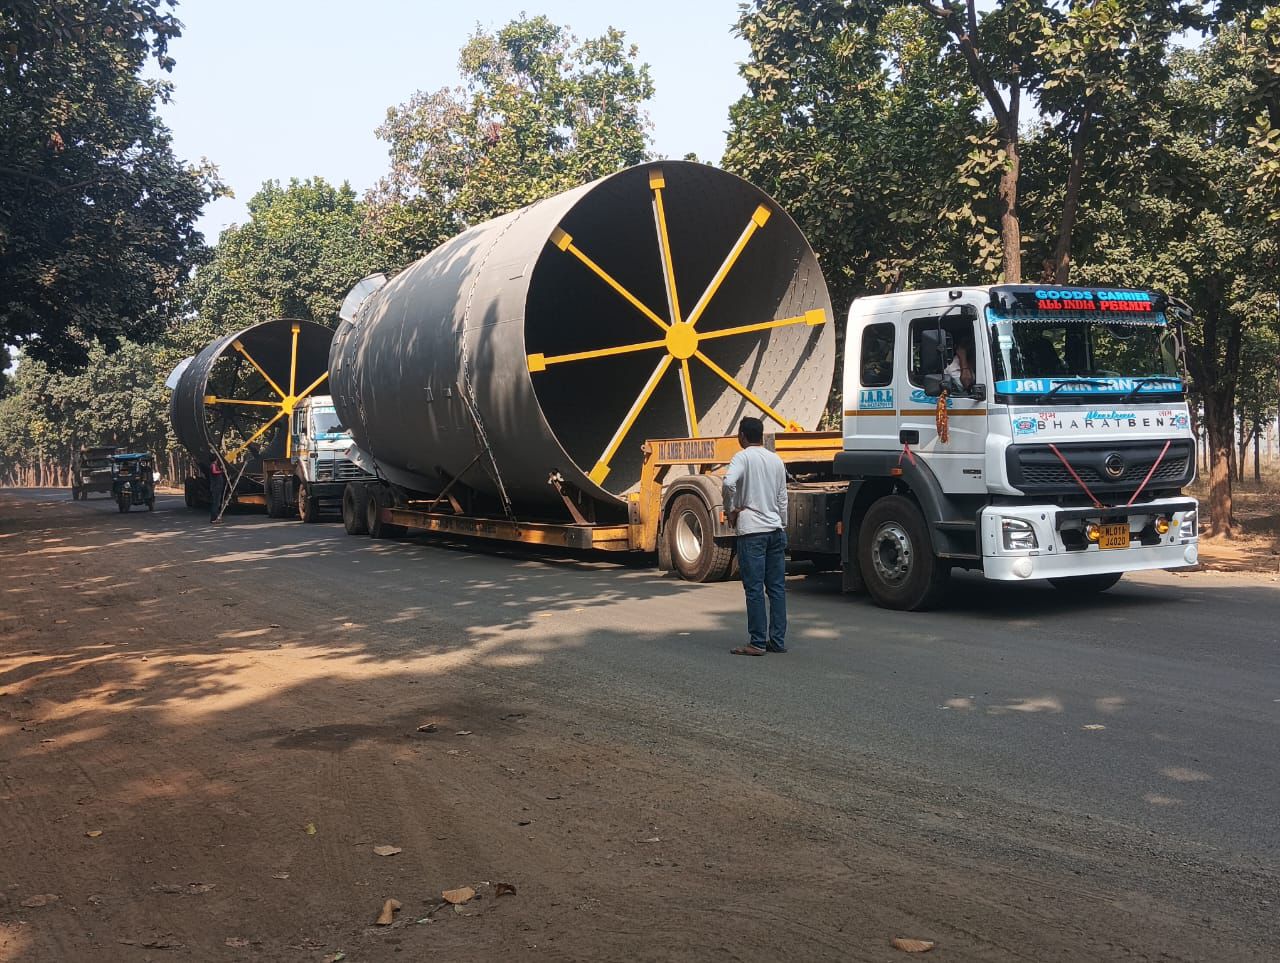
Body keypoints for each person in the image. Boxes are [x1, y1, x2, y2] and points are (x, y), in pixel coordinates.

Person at [723, 416, 789, 656]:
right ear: (761, 435)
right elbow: (783, 498)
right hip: (775, 531)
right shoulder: (776, 460)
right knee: (777, 588)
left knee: (754, 589)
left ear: (742, 436)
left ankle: (757, 642)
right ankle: (777, 641)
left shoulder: (742, 457)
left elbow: (729, 483)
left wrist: (730, 509)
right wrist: (782, 523)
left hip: (752, 532)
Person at [208, 454, 225, 524]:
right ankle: (213, 519)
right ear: (216, 459)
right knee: (216, 503)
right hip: (216, 487)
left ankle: (215, 518)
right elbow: (214, 471)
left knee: (217, 503)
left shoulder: (214, 465)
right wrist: (221, 471)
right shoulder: (213, 465)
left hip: (217, 487)